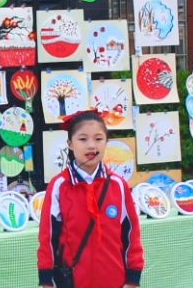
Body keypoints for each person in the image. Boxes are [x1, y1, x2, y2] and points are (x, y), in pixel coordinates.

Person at [37, 110, 144, 288]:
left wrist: (133, 279)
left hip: (114, 280)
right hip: (73, 281)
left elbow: (131, 234)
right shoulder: (59, 186)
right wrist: (46, 281)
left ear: (106, 142)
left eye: (98, 139)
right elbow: (48, 238)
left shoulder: (118, 186)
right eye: (83, 139)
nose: (91, 146)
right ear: (70, 144)